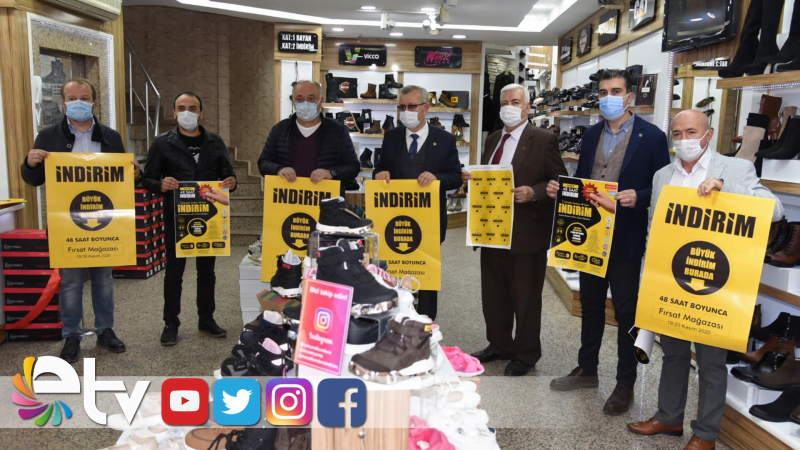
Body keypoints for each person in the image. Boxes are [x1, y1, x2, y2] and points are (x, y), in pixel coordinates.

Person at [627, 110, 783, 450]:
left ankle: (706, 433)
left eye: (691, 132)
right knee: (673, 354)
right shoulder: (663, 176)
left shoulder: (736, 168)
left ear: (708, 135)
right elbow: (655, 231)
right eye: (678, 133)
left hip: (716, 285)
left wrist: (726, 188)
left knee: (711, 363)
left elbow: (774, 210)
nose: (684, 139)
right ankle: (669, 417)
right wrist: (647, 281)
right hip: (672, 282)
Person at [548, 69, 671, 414]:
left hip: (627, 236)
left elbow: (663, 187)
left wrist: (639, 197)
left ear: (630, 96)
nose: (608, 98)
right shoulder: (590, 135)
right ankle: (587, 369)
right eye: (603, 92)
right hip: (590, 234)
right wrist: (563, 190)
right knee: (590, 304)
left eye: (615, 91)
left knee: (626, 311)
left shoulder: (653, 136)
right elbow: (582, 180)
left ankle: (624, 383)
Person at [21, 78, 140, 363]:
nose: (79, 102)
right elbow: (34, 180)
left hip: (105, 221)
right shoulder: (47, 136)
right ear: (63, 103)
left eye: (84, 98)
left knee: (103, 280)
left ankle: (105, 329)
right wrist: (30, 163)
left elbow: (123, 181)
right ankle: (71, 334)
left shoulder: (110, 137)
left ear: (94, 102)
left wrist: (136, 174)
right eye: (72, 98)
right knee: (71, 282)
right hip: (67, 225)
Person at [464, 83, 568, 376]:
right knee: (494, 295)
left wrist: (534, 192)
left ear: (527, 107)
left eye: (515, 101)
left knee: (526, 298)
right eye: (504, 102)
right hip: (491, 231)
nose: (509, 107)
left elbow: (560, 181)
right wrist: (472, 180)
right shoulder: (493, 139)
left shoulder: (544, 139)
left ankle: (526, 353)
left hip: (526, 233)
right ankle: (499, 345)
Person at [142, 91, 237, 346]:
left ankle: (206, 319)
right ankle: (170, 323)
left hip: (210, 218)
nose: (187, 112)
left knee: (207, 272)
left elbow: (228, 175)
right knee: (174, 273)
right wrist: (160, 184)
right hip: (177, 217)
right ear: (174, 113)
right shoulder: (162, 143)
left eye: (193, 108)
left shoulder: (215, 142)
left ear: (201, 113)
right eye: (182, 108)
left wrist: (232, 181)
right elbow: (147, 179)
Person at [373, 85, 463, 320]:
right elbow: (379, 169)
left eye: (412, 106)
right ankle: (392, 319)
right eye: (402, 107)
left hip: (429, 221)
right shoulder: (391, 136)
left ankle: (426, 323)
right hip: (393, 219)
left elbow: (455, 177)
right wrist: (380, 174)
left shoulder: (445, 139)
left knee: (427, 271)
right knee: (392, 270)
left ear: (426, 108)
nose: (406, 111)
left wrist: (437, 178)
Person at [257, 80, 360, 196]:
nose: (305, 103)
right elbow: (263, 163)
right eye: (299, 99)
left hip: (326, 201)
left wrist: (331, 173)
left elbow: (353, 167)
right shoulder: (279, 129)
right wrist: (278, 169)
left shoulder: (338, 130)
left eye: (311, 98)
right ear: (293, 101)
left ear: (321, 100)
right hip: (287, 199)